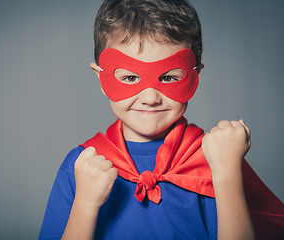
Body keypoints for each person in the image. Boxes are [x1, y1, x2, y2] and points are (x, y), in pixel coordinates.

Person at [39, 0, 284, 239]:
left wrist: (227, 171)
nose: (149, 98)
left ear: (194, 77)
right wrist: (85, 204)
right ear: (100, 78)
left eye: (168, 78)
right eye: (130, 78)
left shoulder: (212, 158)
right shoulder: (81, 164)